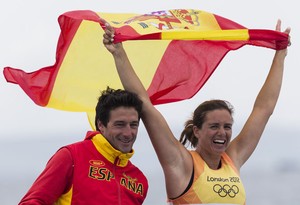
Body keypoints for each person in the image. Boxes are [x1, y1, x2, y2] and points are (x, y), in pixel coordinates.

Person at [103, 19, 291, 204]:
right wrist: (118, 52)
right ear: (197, 130)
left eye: (227, 126)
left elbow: (264, 109)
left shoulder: (233, 158)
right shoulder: (182, 164)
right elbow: (144, 104)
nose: (222, 132)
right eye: (214, 126)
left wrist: (280, 55)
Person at [19, 87, 148, 205]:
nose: (128, 133)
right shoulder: (71, 156)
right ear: (101, 125)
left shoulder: (139, 180)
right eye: (119, 124)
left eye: (133, 125)